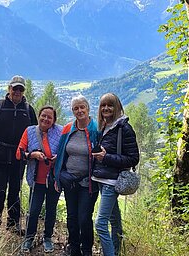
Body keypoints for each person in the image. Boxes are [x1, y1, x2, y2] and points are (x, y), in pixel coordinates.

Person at [0, 75, 38, 234]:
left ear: (24, 91)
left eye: (20, 89)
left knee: (15, 193)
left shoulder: (28, 110)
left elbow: (34, 134)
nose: (17, 91)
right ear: (9, 89)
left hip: (18, 159)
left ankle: (13, 225)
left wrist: (27, 153)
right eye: (15, 88)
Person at [91, 93, 139, 256]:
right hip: (100, 179)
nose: (106, 108)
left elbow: (133, 158)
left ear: (117, 107)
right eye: (103, 105)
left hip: (111, 182)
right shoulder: (105, 127)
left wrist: (106, 157)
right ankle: (116, 251)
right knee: (114, 221)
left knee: (100, 224)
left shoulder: (124, 128)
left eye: (110, 105)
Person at [54, 95, 99, 256]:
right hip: (70, 182)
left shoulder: (96, 129)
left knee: (84, 218)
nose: (79, 111)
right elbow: (61, 154)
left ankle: (86, 250)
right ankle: (74, 249)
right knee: (72, 217)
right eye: (76, 108)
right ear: (72, 111)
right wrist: (58, 175)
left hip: (89, 183)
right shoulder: (68, 129)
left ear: (87, 108)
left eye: (82, 107)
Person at [15, 105, 63, 253]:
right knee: (33, 210)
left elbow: (66, 152)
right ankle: (29, 238)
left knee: (51, 210)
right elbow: (19, 153)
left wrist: (58, 158)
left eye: (49, 117)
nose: (46, 119)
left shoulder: (61, 132)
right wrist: (32, 155)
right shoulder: (30, 131)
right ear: (39, 116)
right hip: (36, 180)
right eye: (43, 115)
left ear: (54, 120)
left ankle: (47, 238)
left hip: (54, 179)